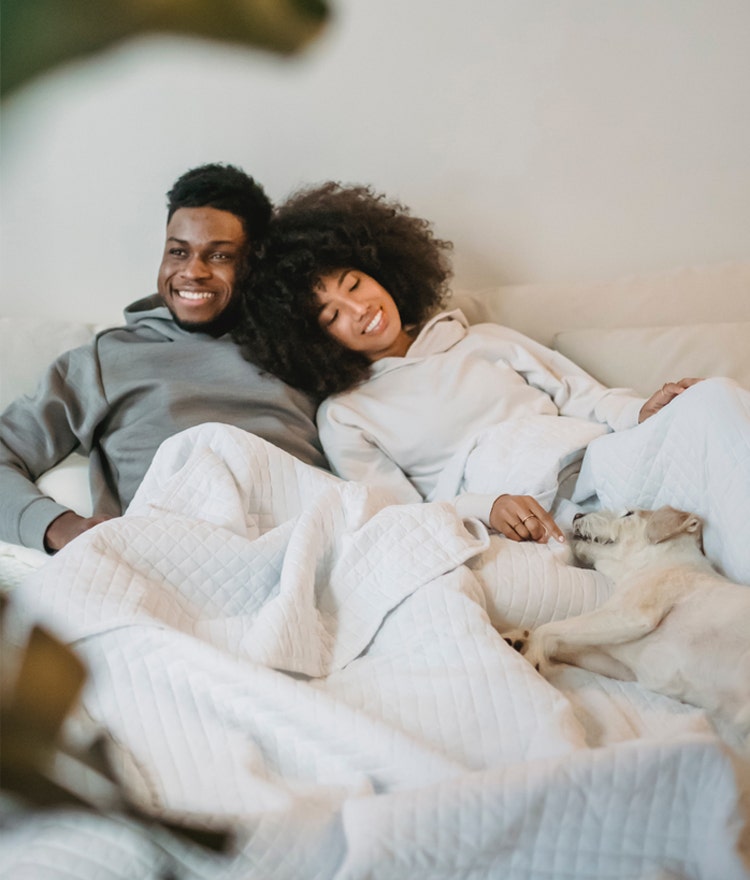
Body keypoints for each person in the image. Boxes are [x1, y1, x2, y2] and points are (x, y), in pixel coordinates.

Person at [233, 182, 730, 547]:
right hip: (531, 519)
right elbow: (397, 512)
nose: (359, 309)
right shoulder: (346, 415)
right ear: (312, 340)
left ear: (380, 271)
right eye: (331, 314)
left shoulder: (484, 341)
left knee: (714, 397)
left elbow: (584, 396)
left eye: (355, 284)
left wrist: (644, 410)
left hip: (602, 463)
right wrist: (486, 508)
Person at [0, 163, 326, 554]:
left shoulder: (305, 347)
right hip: (173, 550)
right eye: (178, 251)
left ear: (253, 263)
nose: (192, 271)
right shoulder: (105, 360)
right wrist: (57, 525)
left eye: (219, 256)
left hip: (307, 543)